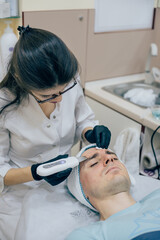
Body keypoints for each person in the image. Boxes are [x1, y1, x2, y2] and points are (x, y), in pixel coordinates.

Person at [0, 25, 111, 193]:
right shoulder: (4, 102)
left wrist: (90, 132)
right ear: (21, 81)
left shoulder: (67, 78)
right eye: (48, 96)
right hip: (21, 195)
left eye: (63, 90)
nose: (59, 99)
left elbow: (83, 119)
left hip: (65, 187)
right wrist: (37, 173)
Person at [66, 145, 160, 240]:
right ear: (81, 190)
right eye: (94, 163)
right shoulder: (87, 235)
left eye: (115, 158)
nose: (109, 158)